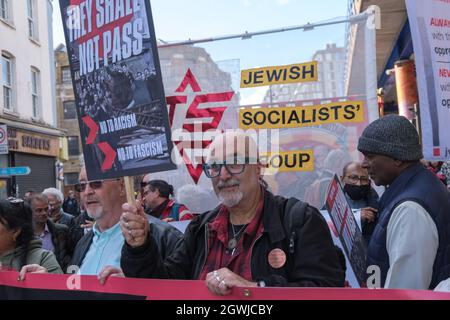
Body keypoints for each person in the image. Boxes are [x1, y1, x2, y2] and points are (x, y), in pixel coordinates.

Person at [118, 131, 345, 295]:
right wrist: (139, 248)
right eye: (215, 167)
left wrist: (254, 289)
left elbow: (326, 290)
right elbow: (165, 286)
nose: (223, 175)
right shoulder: (202, 228)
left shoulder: (299, 220)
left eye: (235, 163)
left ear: (258, 168)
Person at [357, 115, 450, 289]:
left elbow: (405, 290)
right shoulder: (420, 186)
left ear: (398, 158)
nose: (364, 164)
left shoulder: (410, 209)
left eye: (369, 156)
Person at [69, 166, 183, 278]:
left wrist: (135, 281)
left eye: (96, 183)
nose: (87, 191)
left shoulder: (164, 236)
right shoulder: (83, 243)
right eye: (82, 186)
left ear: (122, 186)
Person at [0, 198, 62, 278]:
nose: (43, 213)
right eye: (39, 210)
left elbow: (61, 288)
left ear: (16, 231)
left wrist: (48, 281)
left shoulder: (43, 258)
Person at [29, 194, 73, 272]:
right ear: (29, 211)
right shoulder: (22, 234)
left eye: (46, 209)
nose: (44, 213)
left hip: (58, 278)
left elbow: (71, 255)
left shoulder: (61, 231)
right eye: (39, 210)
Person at [340, 161, 379, 244]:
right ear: (342, 179)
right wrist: (356, 216)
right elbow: (327, 221)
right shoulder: (335, 200)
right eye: (353, 178)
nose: (359, 184)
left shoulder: (377, 205)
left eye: (364, 179)